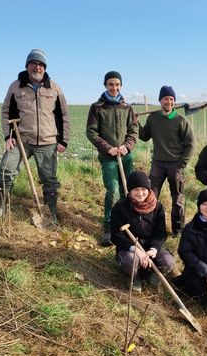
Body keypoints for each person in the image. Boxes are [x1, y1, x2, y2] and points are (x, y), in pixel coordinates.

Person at [0, 49, 70, 224]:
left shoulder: (54, 87)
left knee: (49, 180)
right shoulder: (15, 86)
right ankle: (2, 207)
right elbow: (5, 112)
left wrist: (63, 140)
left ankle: (51, 213)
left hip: (48, 142)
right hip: (21, 140)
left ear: (45, 68)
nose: (37, 67)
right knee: (5, 170)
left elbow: (64, 115)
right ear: (27, 66)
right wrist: (7, 137)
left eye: (41, 65)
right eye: (33, 63)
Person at [86, 71, 138, 246]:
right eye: (110, 84)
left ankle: (126, 224)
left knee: (126, 190)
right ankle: (108, 228)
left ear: (121, 85)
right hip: (108, 157)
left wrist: (126, 146)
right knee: (113, 190)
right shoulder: (97, 107)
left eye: (117, 84)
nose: (114, 87)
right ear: (105, 85)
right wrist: (108, 148)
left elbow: (133, 131)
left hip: (125, 156)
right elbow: (91, 132)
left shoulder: (127, 108)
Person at [138, 86, 195, 237]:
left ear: (174, 102)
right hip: (157, 164)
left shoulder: (180, 121)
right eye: (166, 99)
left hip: (175, 165)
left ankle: (178, 230)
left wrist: (181, 163)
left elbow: (191, 144)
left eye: (171, 99)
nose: (169, 102)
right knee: (151, 196)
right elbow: (144, 136)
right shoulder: (153, 118)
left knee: (177, 198)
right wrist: (135, 122)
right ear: (160, 100)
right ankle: (150, 227)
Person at [110, 171, 175, 292]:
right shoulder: (120, 207)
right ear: (130, 191)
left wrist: (153, 249)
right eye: (136, 190)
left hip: (149, 246)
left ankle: (152, 274)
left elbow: (160, 234)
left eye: (143, 189)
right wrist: (136, 250)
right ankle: (134, 277)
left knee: (168, 262)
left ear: (149, 189)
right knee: (131, 261)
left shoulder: (158, 207)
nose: (140, 193)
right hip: (130, 248)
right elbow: (116, 236)